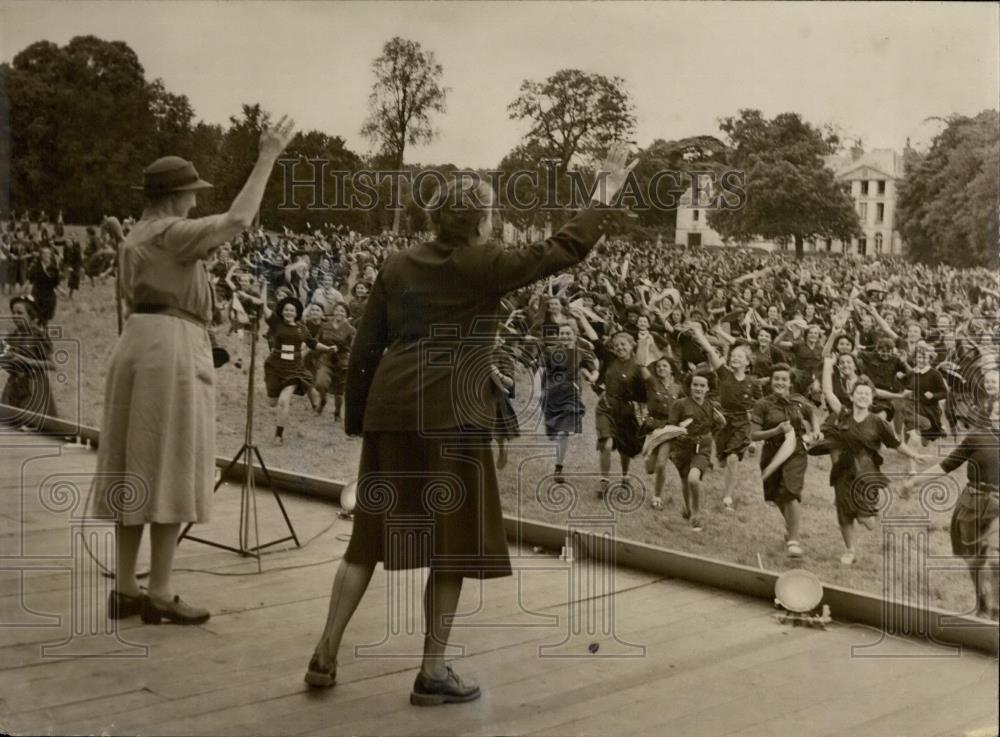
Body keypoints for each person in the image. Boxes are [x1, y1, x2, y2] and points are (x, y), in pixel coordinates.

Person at [306, 144, 635, 705]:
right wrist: (605, 189)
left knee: (366, 540)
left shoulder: (397, 263)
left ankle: (325, 653)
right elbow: (567, 247)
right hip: (451, 413)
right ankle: (432, 671)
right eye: (492, 214)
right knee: (453, 544)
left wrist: (360, 418)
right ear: (479, 222)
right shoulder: (485, 266)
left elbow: (365, 346)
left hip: (393, 406)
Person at [90, 117, 296, 625]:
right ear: (173, 196)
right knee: (171, 464)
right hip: (172, 349)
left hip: (136, 344)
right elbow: (240, 219)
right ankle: (159, 590)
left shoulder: (138, 236)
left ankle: (125, 586)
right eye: (191, 193)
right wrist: (267, 154)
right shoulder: (170, 232)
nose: (196, 202)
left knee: (134, 465)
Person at [908, 367, 999, 619]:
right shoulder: (976, 437)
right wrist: (915, 481)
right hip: (972, 501)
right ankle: (982, 604)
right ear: (990, 412)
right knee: (974, 560)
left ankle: (997, 610)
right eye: (997, 410)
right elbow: (947, 465)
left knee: (995, 557)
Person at [820, 365, 925, 565]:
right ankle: (850, 551)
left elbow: (896, 444)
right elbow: (828, 392)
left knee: (866, 521)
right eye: (859, 393)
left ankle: (870, 514)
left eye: (866, 394)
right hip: (843, 470)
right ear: (852, 397)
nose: (862, 397)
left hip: (867, 472)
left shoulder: (878, 422)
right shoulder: (843, 414)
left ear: (871, 398)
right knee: (844, 513)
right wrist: (827, 364)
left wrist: (914, 455)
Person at [750, 363, 822, 558]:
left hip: (796, 450)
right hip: (772, 452)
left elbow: (812, 414)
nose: (780, 382)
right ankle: (792, 528)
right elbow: (754, 435)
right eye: (776, 379)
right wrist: (776, 430)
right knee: (776, 496)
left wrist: (816, 430)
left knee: (790, 491)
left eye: (784, 379)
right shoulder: (763, 405)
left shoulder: (798, 401)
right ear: (771, 381)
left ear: (790, 383)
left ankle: (794, 540)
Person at [667, 369, 726, 531]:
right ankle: (687, 508)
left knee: (694, 479)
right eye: (695, 385)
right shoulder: (679, 404)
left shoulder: (712, 407)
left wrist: (708, 437)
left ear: (708, 388)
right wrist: (679, 430)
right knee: (685, 481)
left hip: (702, 448)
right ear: (689, 386)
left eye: (702, 385)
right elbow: (670, 426)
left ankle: (697, 515)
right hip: (682, 448)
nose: (698, 388)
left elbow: (720, 424)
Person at [594, 331, 647, 498]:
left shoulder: (637, 368)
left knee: (625, 448)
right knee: (607, 444)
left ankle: (625, 475)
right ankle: (604, 482)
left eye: (623, 344)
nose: (619, 348)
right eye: (616, 345)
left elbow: (643, 394)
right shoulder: (610, 359)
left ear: (632, 346)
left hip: (625, 411)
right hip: (606, 408)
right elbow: (595, 341)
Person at [261, 294, 320, 443]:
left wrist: (329, 348)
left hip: (293, 368)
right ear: (282, 311)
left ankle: (278, 436)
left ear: (297, 313)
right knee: (272, 402)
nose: (288, 312)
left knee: (283, 401)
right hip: (274, 366)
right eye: (286, 309)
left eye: (292, 310)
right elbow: (263, 306)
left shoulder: (302, 328)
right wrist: (264, 286)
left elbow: (312, 343)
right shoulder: (276, 322)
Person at [0, 295, 57, 428]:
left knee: (34, 427)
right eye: (13, 312)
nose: (15, 316)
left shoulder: (38, 335)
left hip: (34, 386)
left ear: (31, 315)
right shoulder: (13, 335)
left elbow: (52, 365)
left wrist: (27, 361)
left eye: (20, 313)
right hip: (14, 387)